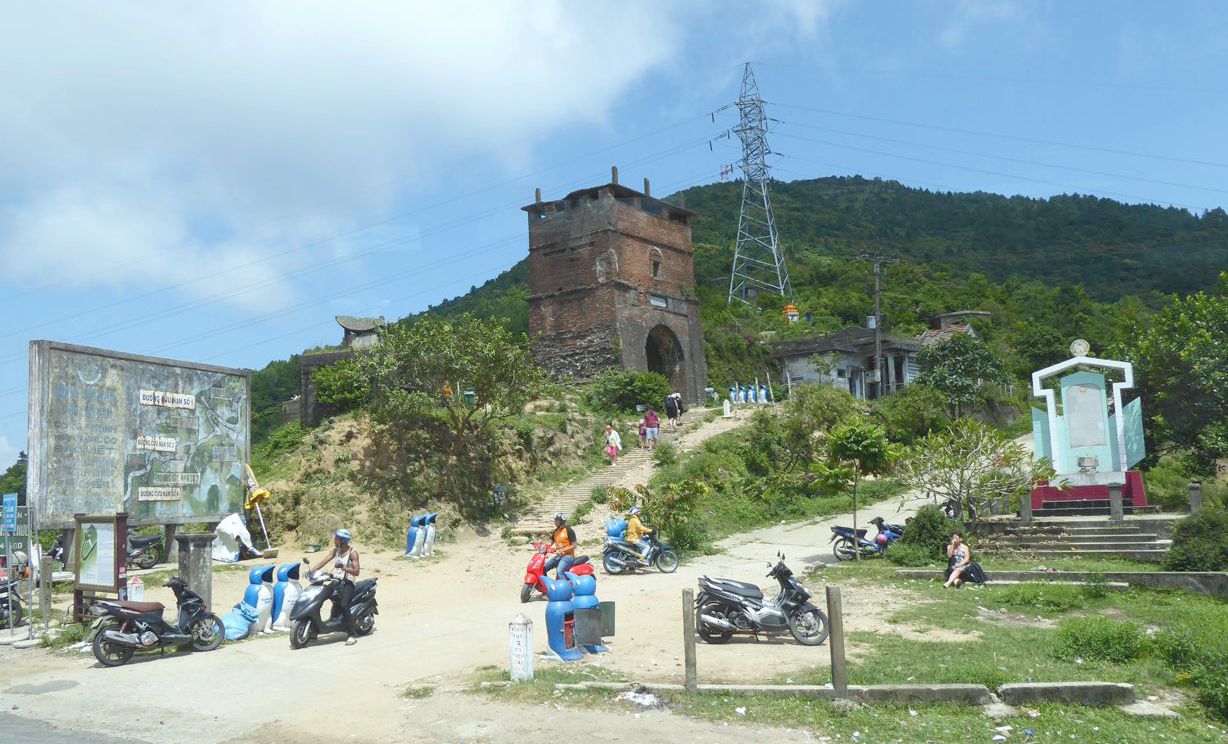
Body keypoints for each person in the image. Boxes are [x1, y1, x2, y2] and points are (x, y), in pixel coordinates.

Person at [310, 528, 361, 644]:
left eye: (336, 538)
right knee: (318, 599)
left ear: (342, 541)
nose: (334, 540)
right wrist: (311, 571)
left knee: (343, 605)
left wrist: (344, 568)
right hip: (336, 581)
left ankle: (351, 634)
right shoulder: (336, 551)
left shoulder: (353, 553)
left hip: (348, 582)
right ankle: (314, 629)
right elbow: (323, 562)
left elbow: (356, 571)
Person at [543, 512, 577, 579]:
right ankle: (544, 584)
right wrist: (541, 545)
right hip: (559, 556)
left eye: (556, 520)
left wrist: (562, 550)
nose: (555, 522)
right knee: (544, 568)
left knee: (559, 571)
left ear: (561, 521)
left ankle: (564, 585)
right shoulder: (556, 531)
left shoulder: (569, 530)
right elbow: (550, 543)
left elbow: (574, 546)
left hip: (568, 556)